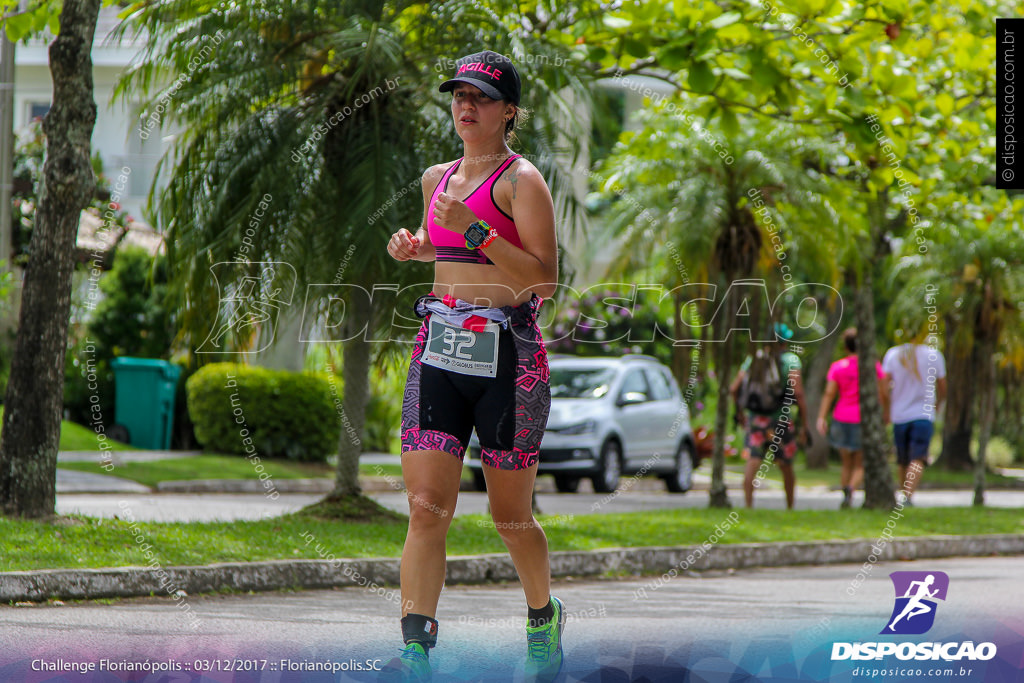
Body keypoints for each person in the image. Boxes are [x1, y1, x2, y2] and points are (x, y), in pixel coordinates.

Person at [384, 50, 562, 682]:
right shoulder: (438, 177)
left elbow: (544, 278)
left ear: (508, 111)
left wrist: (480, 232)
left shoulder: (522, 181)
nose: (466, 106)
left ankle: (543, 615)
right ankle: (415, 644)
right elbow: (447, 246)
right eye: (459, 94)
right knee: (428, 506)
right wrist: (417, 248)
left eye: (482, 97)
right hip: (440, 345)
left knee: (509, 517)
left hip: (510, 358)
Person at [729, 324, 810, 509]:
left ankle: (748, 506)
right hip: (781, 418)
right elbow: (798, 392)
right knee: (786, 464)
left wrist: (739, 413)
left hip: (756, 419)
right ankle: (790, 507)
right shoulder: (791, 360)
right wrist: (805, 423)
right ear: (784, 341)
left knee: (753, 459)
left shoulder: (755, 358)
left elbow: (734, 388)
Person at [816, 328, 887, 509]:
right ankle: (850, 488)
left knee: (846, 463)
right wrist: (885, 412)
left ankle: (845, 494)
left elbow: (829, 393)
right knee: (860, 464)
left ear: (846, 347)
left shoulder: (837, 367)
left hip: (841, 417)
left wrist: (821, 417)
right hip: (862, 419)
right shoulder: (871, 365)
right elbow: (883, 392)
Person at [882, 341, 947, 505]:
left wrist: (887, 408)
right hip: (923, 414)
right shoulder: (934, 354)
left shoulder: (893, 353)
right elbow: (942, 386)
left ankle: (905, 494)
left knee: (902, 459)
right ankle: (908, 496)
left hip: (899, 414)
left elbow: (883, 386)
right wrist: (938, 404)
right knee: (917, 457)